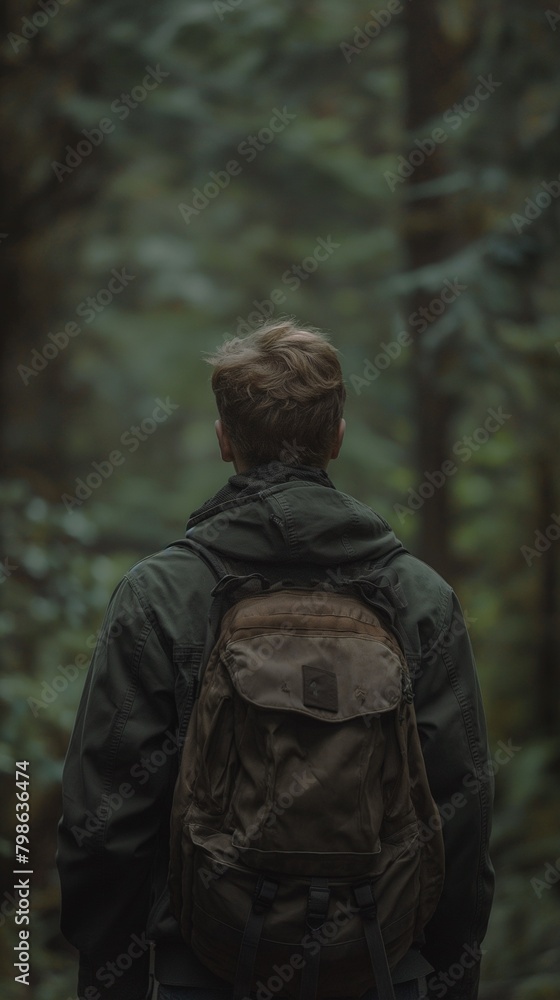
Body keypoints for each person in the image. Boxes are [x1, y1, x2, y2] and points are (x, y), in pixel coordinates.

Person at [57, 319, 494, 1000]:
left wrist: (108, 977)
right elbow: (461, 812)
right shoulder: (420, 597)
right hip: (383, 969)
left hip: (198, 969)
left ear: (223, 438)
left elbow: (104, 821)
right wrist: (450, 975)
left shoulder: (161, 594)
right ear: (337, 436)